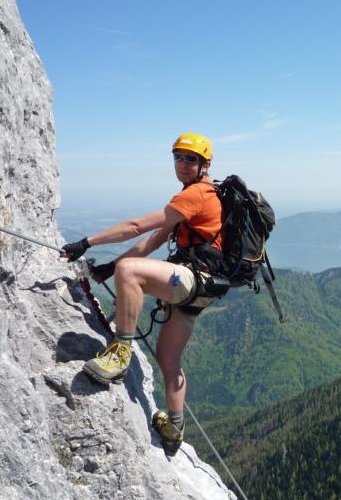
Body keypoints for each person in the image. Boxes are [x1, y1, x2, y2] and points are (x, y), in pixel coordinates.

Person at [61, 132, 223, 456]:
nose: (182, 163)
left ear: (205, 164)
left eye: (191, 159)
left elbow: (138, 227)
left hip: (194, 280)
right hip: (207, 287)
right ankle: (174, 428)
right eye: (178, 156)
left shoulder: (197, 195)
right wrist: (111, 265)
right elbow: (151, 243)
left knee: (131, 272)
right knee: (168, 358)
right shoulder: (196, 197)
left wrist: (87, 243)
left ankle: (120, 353)